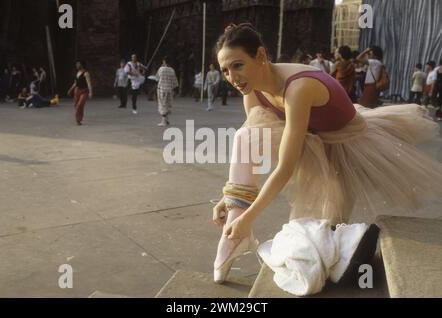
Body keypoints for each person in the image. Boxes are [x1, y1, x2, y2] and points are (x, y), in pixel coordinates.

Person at [211, 23, 442, 289]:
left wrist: (247, 218)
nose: (231, 76)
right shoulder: (251, 91)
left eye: (238, 65)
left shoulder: (299, 88)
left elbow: (285, 167)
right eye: (225, 70)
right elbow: (250, 148)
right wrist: (230, 200)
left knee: (321, 238)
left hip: (347, 145)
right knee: (246, 137)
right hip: (309, 139)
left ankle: (349, 240)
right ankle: (233, 241)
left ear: (261, 56)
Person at [67, 60, 93, 125]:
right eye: (76, 64)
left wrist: (90, 92)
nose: (77, 65)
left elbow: (89, 83)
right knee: (76, 105)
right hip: (77, 90)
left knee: (80, 105)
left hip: (84, 91)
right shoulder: (77, 73)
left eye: (78, 64)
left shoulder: (86, 73)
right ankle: (78, 120)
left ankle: (79, 118)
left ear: (82, 65)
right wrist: (70, 89)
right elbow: (75, 83)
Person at [156, 57, 179, 127]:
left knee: (162, 105)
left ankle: (164, 122)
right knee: (167, 104)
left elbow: (157, 78)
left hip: (162, 89)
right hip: (169, 90)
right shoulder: (172, 70)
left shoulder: (161, 69)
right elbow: (175, 82)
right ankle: (167, 120)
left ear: (164, 61)